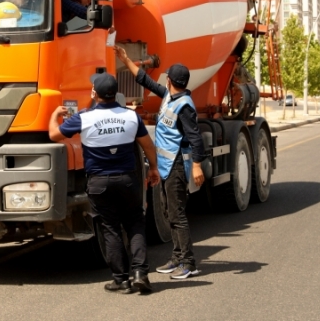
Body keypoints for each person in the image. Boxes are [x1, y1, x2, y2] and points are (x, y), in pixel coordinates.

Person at [49, 73, 161, 294]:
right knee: (135, 224)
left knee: (110, 228)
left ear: (94, 93)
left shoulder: (84, 117)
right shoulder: (131, 116)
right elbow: (148, 145)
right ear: (115, 93)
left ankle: (121, 279)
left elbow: (54, 135)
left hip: (99, 183)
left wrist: (54, 115)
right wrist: (154, 168)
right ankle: (140, 273)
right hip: (127, 180)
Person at [114, 46, 207, 280]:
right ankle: (177, 258)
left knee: (177, 215)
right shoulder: (170, 96)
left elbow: (196, 138)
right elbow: (145, 80)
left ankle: (188, 263)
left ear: (169, 80)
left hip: (176, 165)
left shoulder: (184, 106)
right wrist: (126, 60)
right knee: (168, 212)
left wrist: (197, 166)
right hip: (166, 166)